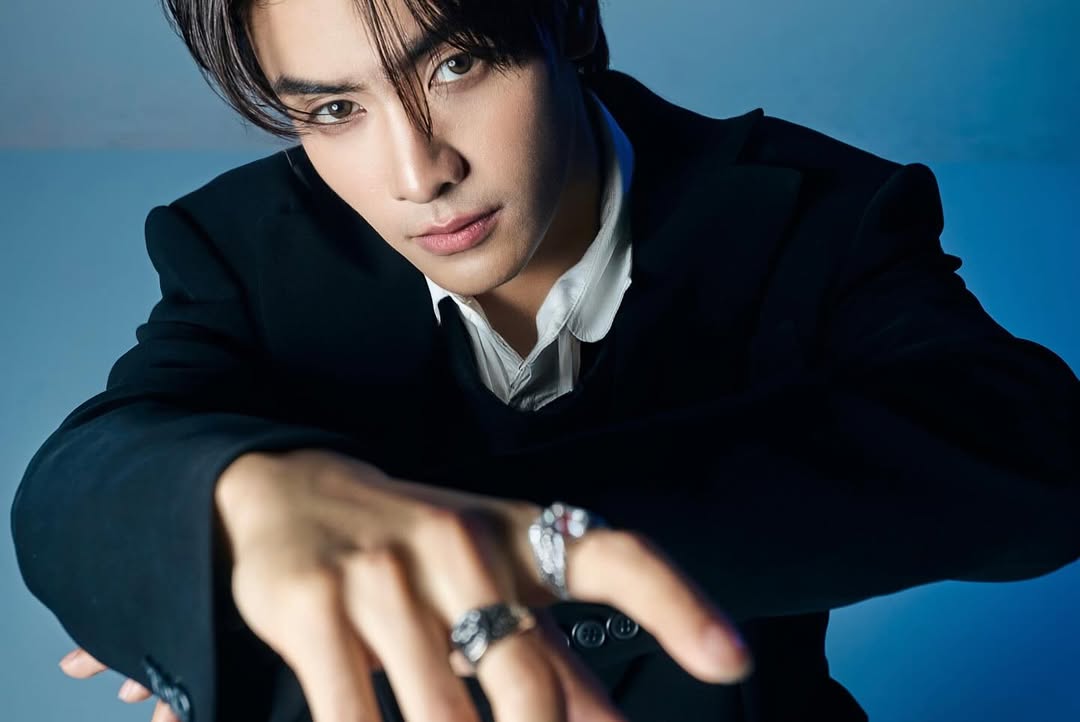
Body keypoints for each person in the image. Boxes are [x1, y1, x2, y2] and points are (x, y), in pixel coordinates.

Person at [11, 0, 1080, 720]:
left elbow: (1034, 453)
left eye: (457, 64)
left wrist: (460, 537)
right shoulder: (242, 245)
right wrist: (233, 508)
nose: (418, 173)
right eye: (335, 109)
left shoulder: (814, 209)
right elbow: (92, 481)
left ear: (564, 19)